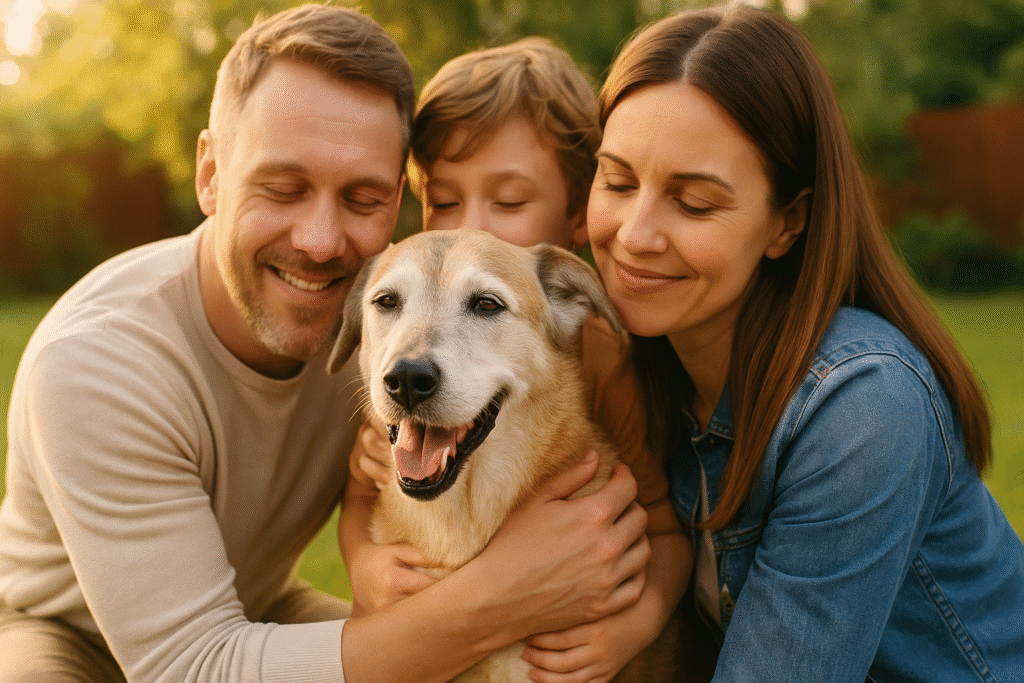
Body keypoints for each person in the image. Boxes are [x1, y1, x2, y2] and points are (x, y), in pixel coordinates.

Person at [0, 6, 653, 682]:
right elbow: (189, 668)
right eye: (283, 187)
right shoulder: (99, 362)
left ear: (399, 198)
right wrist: (511, 590)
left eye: (361, 197)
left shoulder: (381, 319)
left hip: (251, 607)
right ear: (211, 174)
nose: (318, 241)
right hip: (60, 630)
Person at [586, 4, 1024, 681]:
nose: (635, 235)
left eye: (694, 202)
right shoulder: (636, 372)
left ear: (787, 223)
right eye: (616, 181)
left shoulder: (860, 407)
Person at [338, 37, 702, 683]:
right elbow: (359, 507)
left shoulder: (601, 356)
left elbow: (667, 533)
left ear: (576, 216)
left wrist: (632, 627)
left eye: (508, 203)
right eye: (444, 200)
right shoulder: (397, 392)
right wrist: (366, 567)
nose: (474, 225)